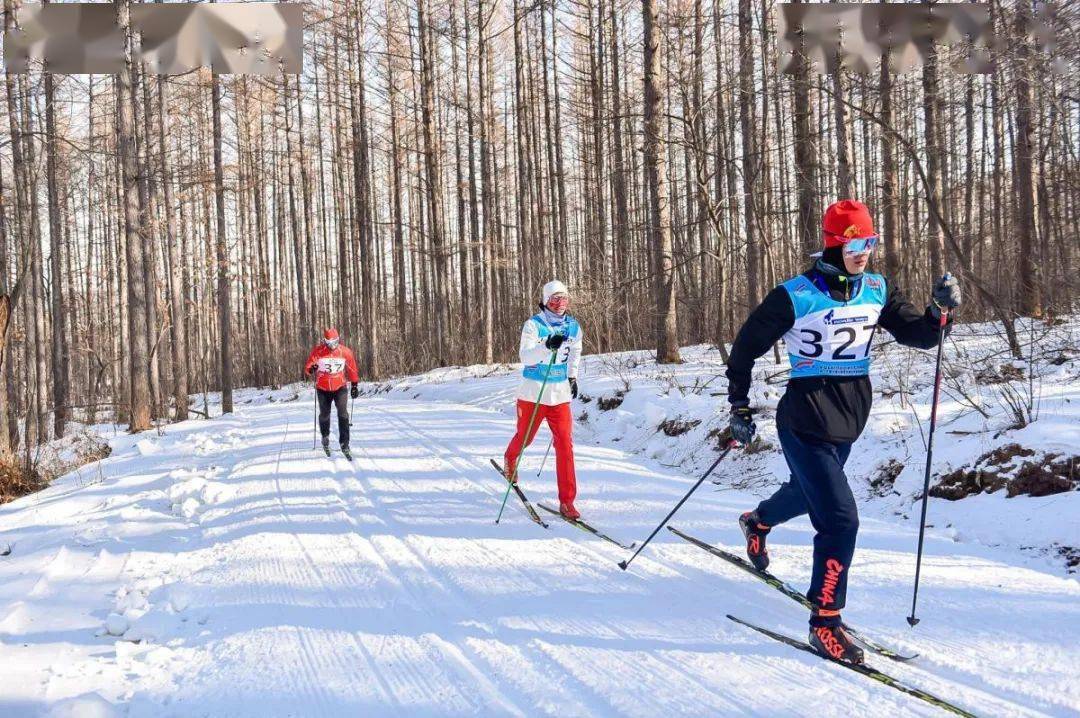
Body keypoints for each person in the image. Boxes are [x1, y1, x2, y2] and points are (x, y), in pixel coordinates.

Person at [725, 199, 961, 664]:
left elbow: (919, 334)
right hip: (804, 418)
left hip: (850, 415)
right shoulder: (794, 294)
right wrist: (739, 405)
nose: (863, 251)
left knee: (804, 495)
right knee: (840, 520)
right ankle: (825, 622)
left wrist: (939, 314)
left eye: (869, 242)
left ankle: (758, 520)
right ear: (834, 243)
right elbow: (744, 349)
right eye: (854, 242)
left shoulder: (876, 288)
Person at [503, 280, 584, 519]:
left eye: (564, 299)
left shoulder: (573, 326)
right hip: (533, 393)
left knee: (565, 445)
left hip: (559, 395)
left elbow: (576, 351)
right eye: (554, 299)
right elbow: (526, 357)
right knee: (526, 437)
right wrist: (547, 345)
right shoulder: (533, 325)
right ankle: (510, 457)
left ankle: (567, 501)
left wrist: (572, 377)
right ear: (546, 301)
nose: (560, 304)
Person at [304, 328, 360, 453]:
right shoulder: (318, 351)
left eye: (334, 342)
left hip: (340, 387)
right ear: (325, 341)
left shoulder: (345, 352)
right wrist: (311, 369)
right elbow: (308, 367)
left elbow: (352, 369)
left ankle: (344, 442)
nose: (332, 345)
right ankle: (325, 436)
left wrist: (355, 385)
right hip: (323, 388)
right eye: (328, 342)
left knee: (343, 414)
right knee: (324, 414)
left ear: (338, 339)